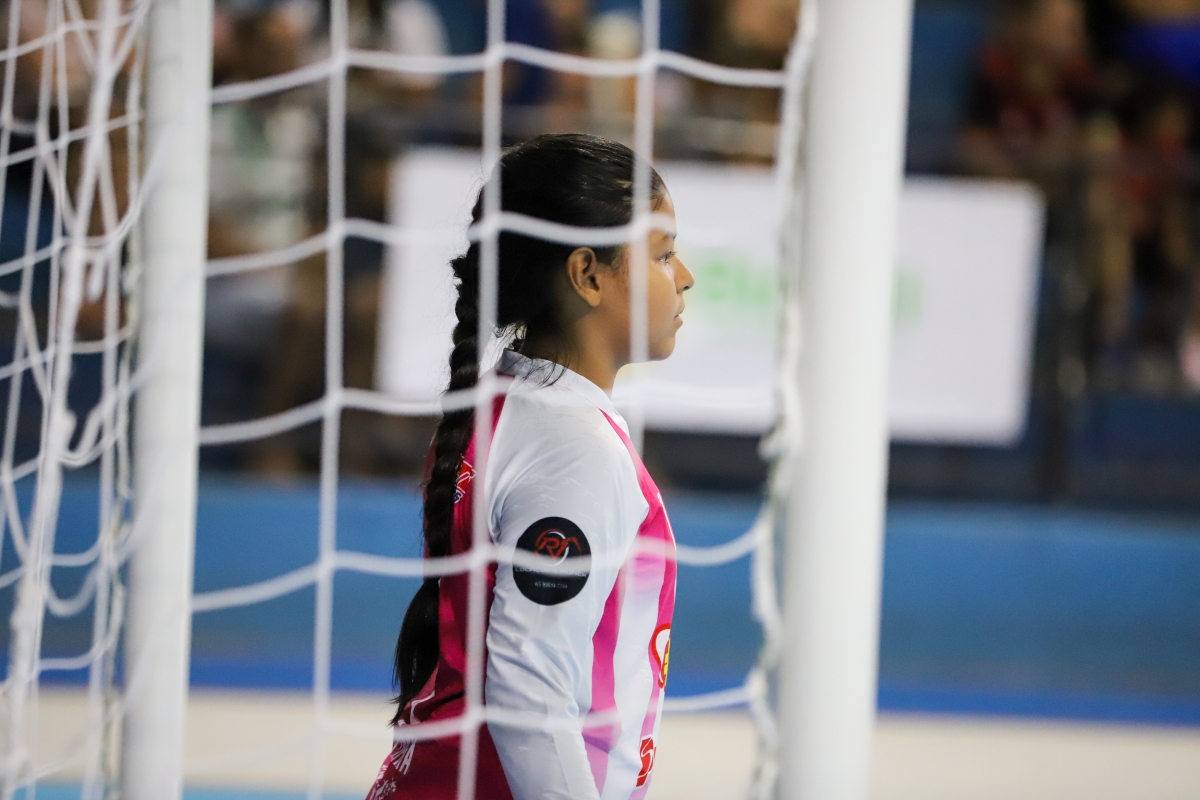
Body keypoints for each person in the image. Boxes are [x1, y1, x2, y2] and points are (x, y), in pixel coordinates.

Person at [367, 133, 694, 800]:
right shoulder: (574, 447)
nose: (684, 276)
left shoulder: (503, 401)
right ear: (588, 275)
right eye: (662, 254)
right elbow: (529, 689)